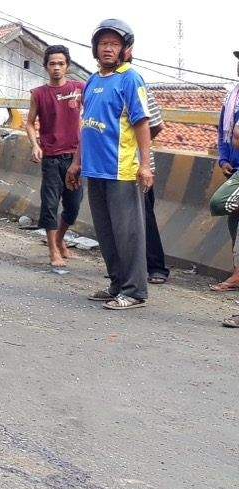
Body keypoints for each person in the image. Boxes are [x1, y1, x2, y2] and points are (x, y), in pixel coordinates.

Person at [67, 19, 153, 310]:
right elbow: (86, 125)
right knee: (106, 232)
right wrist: (77, 162)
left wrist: (145, 165)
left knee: (128, 234)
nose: (107, 49)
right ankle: (117, 284)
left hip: (122, 169)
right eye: (103, 43)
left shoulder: (131, 79)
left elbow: (142, 123)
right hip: (95, 169)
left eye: (114, 44)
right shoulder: (92, 81)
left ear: (125, 49)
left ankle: (135, 291)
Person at [25, 45, 84, 269]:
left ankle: (60, 239)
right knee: (50, 205)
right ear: (46, 67)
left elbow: (91, 115)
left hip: (75, 158)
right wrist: (35, 145)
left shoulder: (79, 88)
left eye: (61, 63)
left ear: (67, 66)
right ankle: (53, 250)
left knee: (73, 206)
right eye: (52, 64)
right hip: (51, 158)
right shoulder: (39, 94)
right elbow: (29, 123)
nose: (56, 68)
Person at [212, 52, 239, 293]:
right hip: (233, 168)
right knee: (234, 220)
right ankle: (237, 272)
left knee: (220, 202)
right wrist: (223, 160)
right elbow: (223, 133)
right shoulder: (232, 98)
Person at [142, 89, 169, 284]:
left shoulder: (139, 89)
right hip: (110, 167)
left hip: (137, 167)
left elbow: (157, 125)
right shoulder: (101, 86)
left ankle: (156, 267)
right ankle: (125, 268)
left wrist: (139, 143)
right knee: (119, 222)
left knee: (145, 218)